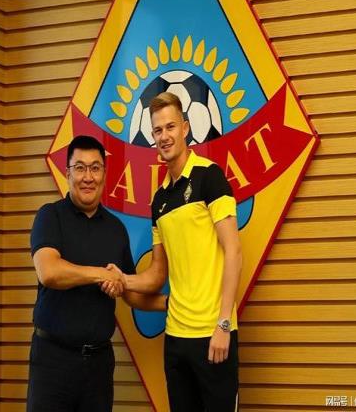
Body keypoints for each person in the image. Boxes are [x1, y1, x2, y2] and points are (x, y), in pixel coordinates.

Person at [109, 92, 242, 411]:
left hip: (213, 334)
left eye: (170, 127)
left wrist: (224, 324)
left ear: (185, 128)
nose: (164, 136)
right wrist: (121, 280)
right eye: (158, 130)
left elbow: (234, 251)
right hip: (175, 337)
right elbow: (157, 273)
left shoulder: (210, 176)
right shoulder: (159, 201)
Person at [26, 135, 134, 412]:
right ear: (68, 173)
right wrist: (101, 275)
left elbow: (129, 288)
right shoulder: (50, 216)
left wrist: (174, 304)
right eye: (80, 168)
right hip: (52, 360)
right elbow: (49, 272)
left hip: (98, 365)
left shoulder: (116, 229)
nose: (88, 177)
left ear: (104, 174)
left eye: (95, 168)